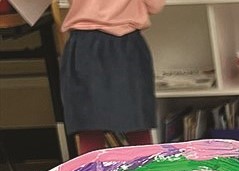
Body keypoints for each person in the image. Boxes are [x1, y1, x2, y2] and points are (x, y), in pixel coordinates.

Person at [59, 0, 164, 154]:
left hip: (83, 45)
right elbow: (155, 5)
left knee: (89, 126)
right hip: (127, 45)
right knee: (137, 125)